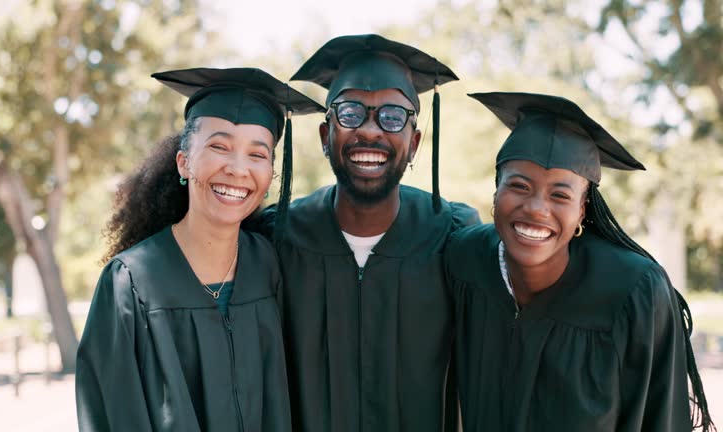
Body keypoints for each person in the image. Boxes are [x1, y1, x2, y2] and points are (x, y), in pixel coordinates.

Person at [446, 92, 715, 431]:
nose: (537, 209)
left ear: (582, 211)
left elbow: (662, 418)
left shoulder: (631, 291)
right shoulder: (467, 261)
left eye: (560, 195)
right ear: (495, 192)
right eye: (519, 186)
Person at [75, 67, 324, 432]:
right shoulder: (131, 283)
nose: (238, 169)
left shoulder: (269, 265)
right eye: (219, 147)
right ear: (184, 162)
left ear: (271, 171)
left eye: (258, 154)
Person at [258, 34, 481, 431]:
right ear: (326, 137)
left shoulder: (453, 236)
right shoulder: (278, 236)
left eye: (393, 116)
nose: (372, 131)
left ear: (413, 143)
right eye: (350, 113)